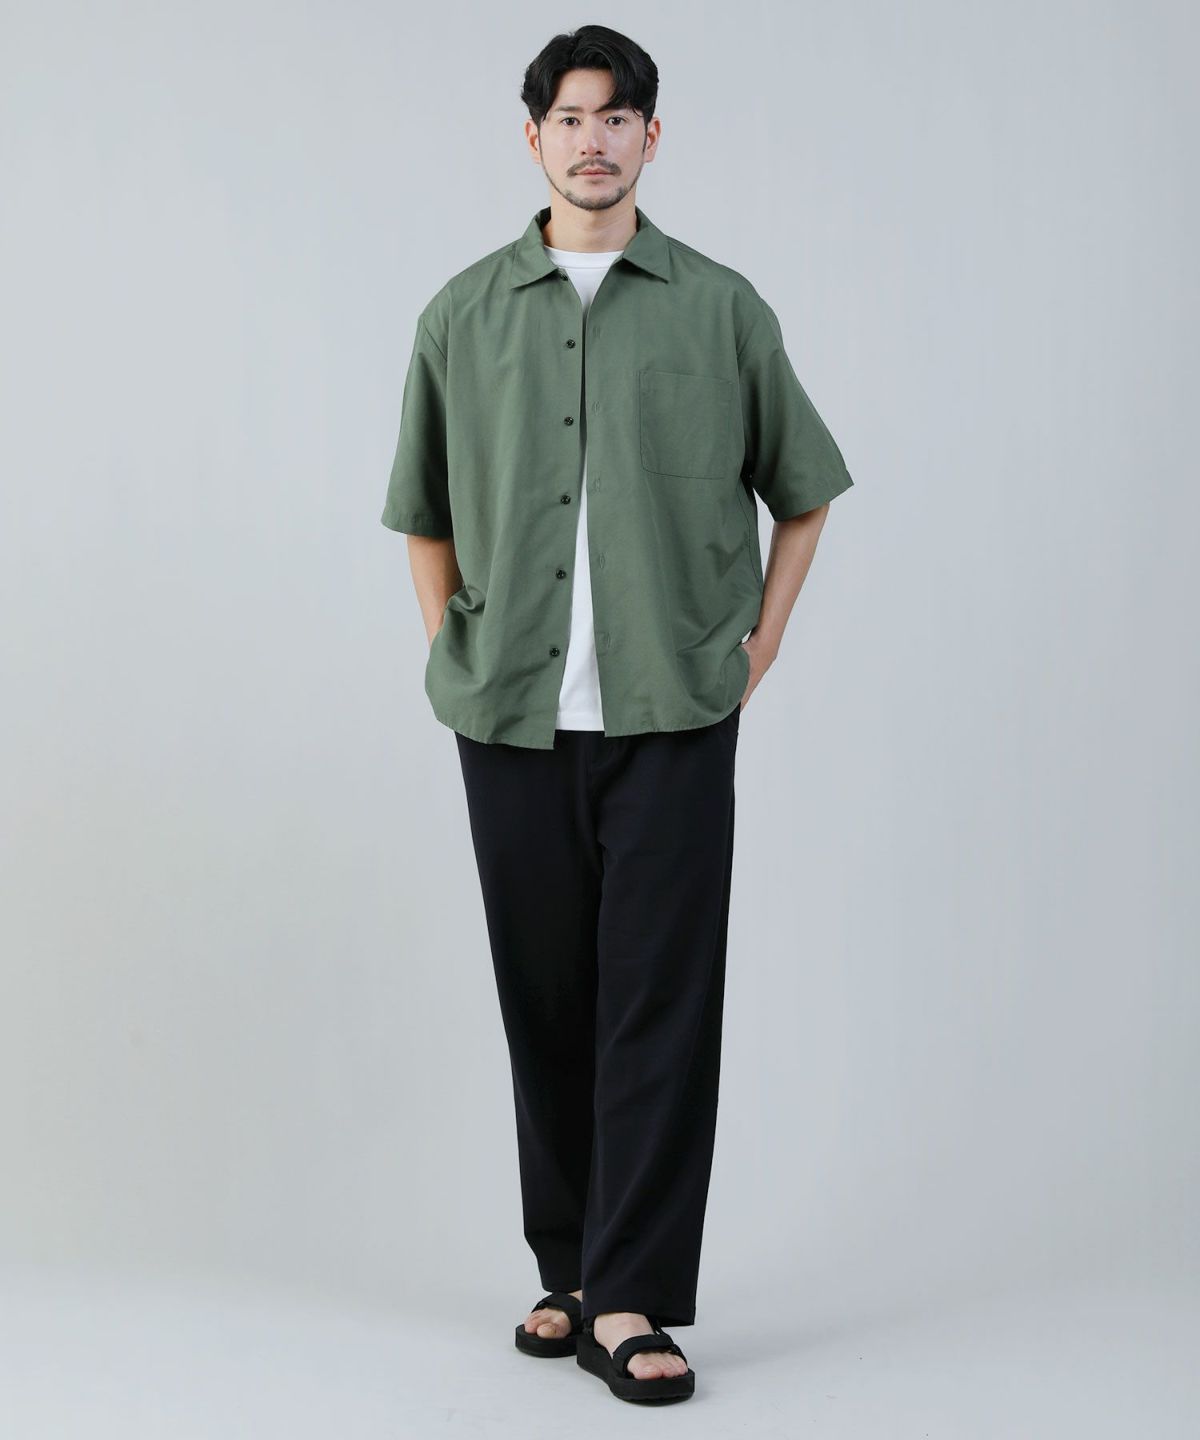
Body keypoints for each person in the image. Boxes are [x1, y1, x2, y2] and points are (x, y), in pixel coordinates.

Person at [380, 24, 854, 1405]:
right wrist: (456, 652)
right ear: (532, 137)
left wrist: (757, 646)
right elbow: (423, 513)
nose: (595, 141)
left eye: (619, 116)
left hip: (672, 715)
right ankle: (571, 1268)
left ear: (654, 136)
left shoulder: (721, 309)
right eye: (571, 118)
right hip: (512, 719)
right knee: (547, 1000)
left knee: (658, 1001)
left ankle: (633, 1291)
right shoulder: (461, 316)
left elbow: (804, 492)